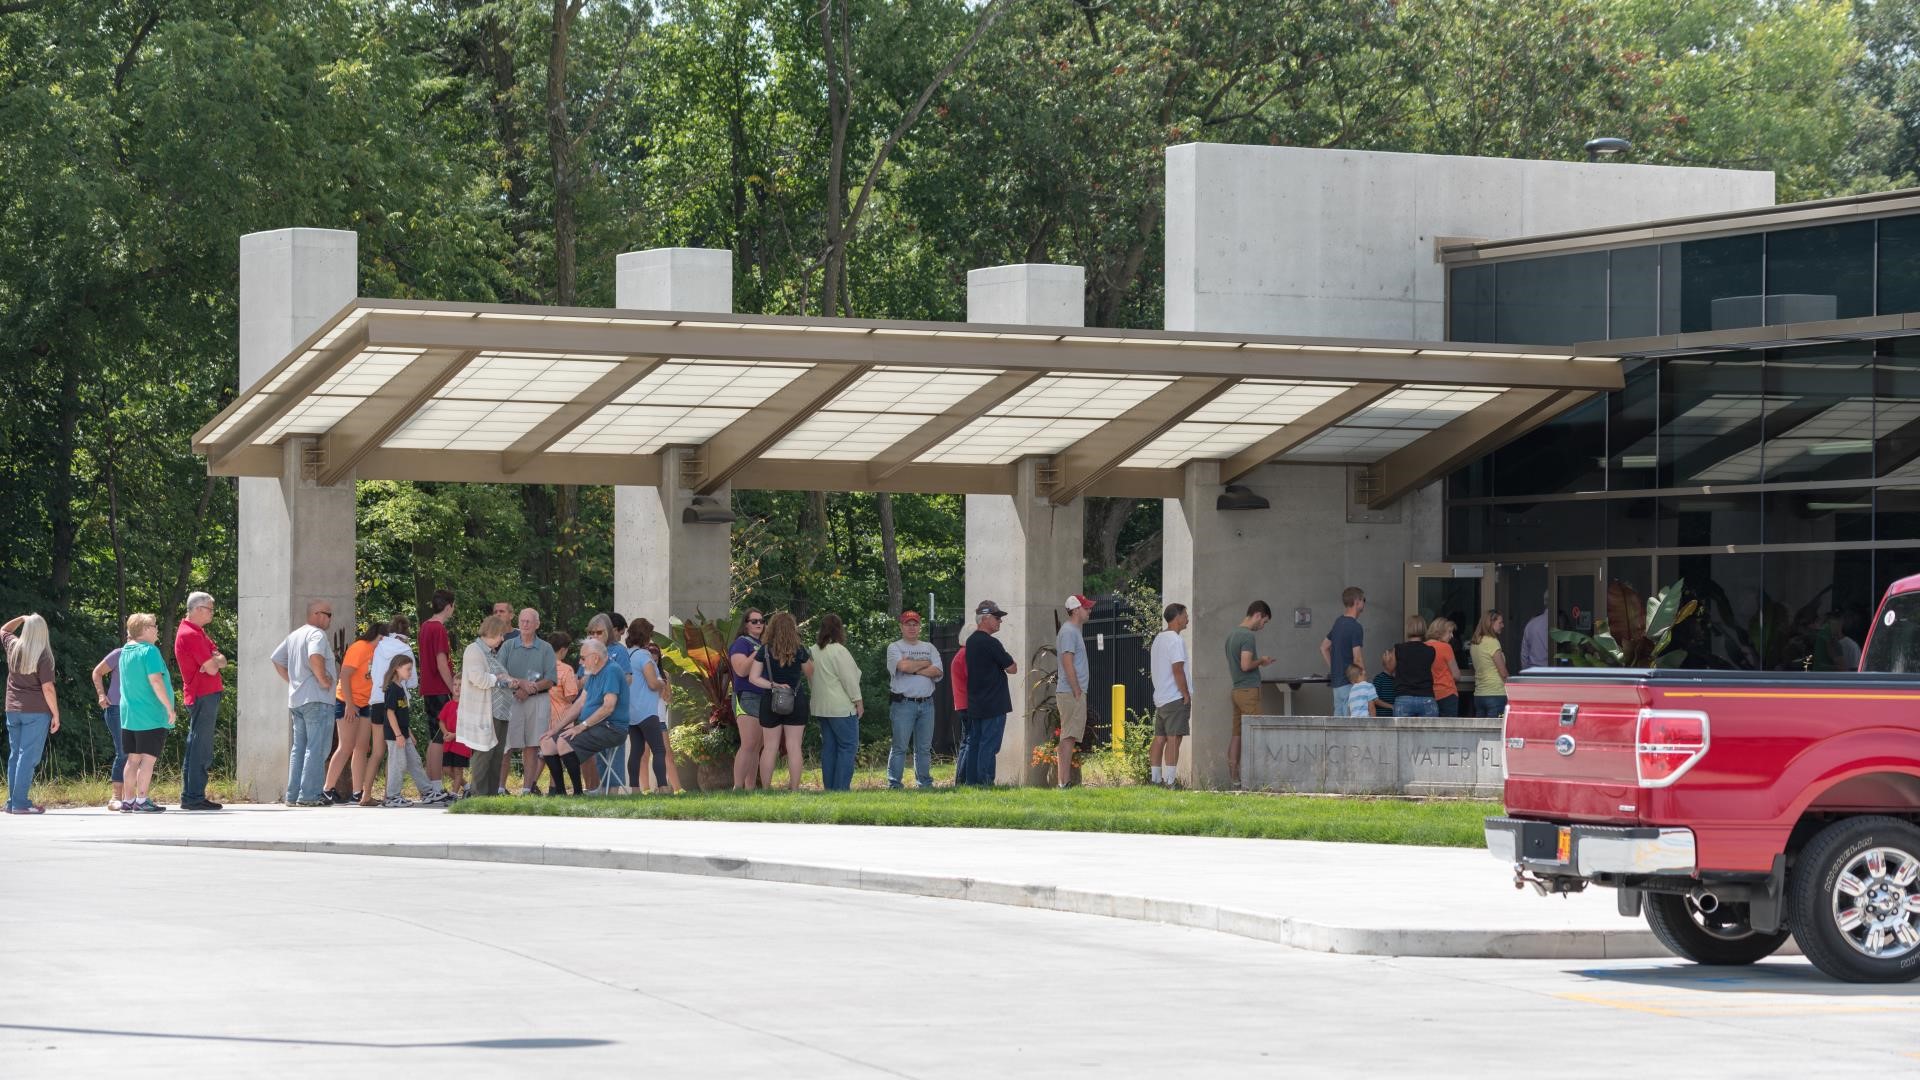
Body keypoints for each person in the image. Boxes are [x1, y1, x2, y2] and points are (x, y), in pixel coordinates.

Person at [269, 599, 338, 806]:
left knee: (299, 748)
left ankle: (292, 795)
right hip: (317, 699)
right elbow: (315, 656)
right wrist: (322, 679)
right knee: (317, 748)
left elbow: (276, 659)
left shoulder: (294, 635)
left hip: (297, 700)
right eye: (329, 615)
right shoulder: (317, 634)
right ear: (317, 614)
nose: (329, 620)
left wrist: (294, 681)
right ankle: (309, 795)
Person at [173, 591, 227, 810]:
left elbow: (221, 660)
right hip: (202, 694)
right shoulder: (191, 634)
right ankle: (193, 796)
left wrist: (214, 660)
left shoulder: (198, 632)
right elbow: (214, 667)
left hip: (205, 693)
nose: (212, 613)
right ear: (197, 609)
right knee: (200, 746)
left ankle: (193, 794)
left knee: (199, 744)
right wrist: (214, 661)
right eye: (210, 609)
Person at [554, 638, 631, 792]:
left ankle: (577, 793)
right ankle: (559, 792)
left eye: (583, 658)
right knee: (548, 743)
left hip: (613, 728)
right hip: (596, 725)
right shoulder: (594, 673)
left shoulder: (611, 670)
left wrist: (581, 727)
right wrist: (555, 729)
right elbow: (579, 704)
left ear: (595, 658)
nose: (581, 663)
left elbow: (608, 707)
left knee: (563, 743)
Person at [2, 613, 59, 815]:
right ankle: (20, 803)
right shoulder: (43, 655)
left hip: (12, 710)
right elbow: (48, 689)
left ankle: (12, 802)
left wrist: (20, 618)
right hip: (36, 711)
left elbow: (4, 630)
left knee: (15, 755)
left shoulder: (13, 646)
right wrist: (56, 714)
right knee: (28, 757)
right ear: (43, 632)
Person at [116, 613, 173, 814]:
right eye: (155, 626)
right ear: (146, 629)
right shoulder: (150, 651)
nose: (157, 630)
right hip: (150, 713)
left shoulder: (125, 651)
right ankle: (142, 800)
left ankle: (128, 800)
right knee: (148, 759)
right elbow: (156, 681)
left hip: (129, 713)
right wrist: (169, 707)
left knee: (133, 759)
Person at [751, 612, 813, 791]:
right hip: (795, 699)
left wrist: (774, 684)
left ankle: (766, 789)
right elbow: (811, 672)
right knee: (794, 747)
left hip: (771, 701)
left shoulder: (765, 650)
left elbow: (754, 678)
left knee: (770, 747)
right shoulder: (800, 650)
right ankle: (794, 789)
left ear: (772, 628)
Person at [458, 616, 519, 797]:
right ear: (492, 633)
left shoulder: (490, 653)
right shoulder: (474, 650)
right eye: (500, 635)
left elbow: (495, 674)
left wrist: (507, 680)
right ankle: (478, 795)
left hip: (500, 711)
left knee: (496, 756)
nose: (502, 639)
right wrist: (499, 680)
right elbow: (478, 678)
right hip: (485, 712)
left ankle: (491, 796)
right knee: (484, 754)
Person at [500, 608, 557, 795]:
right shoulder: (507, 646)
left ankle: (527, 789)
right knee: (506, 745)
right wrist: (519, 686)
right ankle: (500, 788)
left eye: (528, 621)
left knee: (532, 744)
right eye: (522, 621)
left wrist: (530, 689)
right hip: (511, 699)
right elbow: (499, 674)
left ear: (537, 624)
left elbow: (550, 679)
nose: (524, 624)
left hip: (537, 700)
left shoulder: (546, 648)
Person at [960, 601, 1017, 787]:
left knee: (976, 742)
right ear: (985, 618)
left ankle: (971, 781)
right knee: (989, 744)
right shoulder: (991, 642)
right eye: (997, 617)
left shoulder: (971, 641)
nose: (1000, 621)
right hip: (994, 703)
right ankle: (985, 782)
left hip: (976, 702)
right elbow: (1012, 668)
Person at [325, 622, 382, 805]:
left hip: (365, 703)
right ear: (379, 636)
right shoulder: (360, 648)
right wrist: (349, 704)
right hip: (347, 701)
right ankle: (327, 789)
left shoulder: (378, 652)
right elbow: (345, 675)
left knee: (362, 747)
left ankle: (357, 792)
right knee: (346, 746)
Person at [885, 610, 942, 790]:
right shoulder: (894, 647)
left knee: (924, 748)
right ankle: (895, 784)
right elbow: (902, 666)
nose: (911, 627)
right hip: (903, 704)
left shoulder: (929, 647)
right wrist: (925, 664)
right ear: (901, 627)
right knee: (900, 746)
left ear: (919, 627)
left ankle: (924, 783)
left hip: (927, 704)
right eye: (908, 624)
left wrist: (913, 668)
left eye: (915, 624)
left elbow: (938, 672)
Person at [365, 615, 418, 805]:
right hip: (394, 702)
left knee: (377, 752)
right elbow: (412, 682)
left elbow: (373, 673)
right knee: (394, 752)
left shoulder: (379, 646)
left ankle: (365, 795)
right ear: (407, 633)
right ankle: (391, 795)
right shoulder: (405, 649)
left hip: (376, 701)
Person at [623, 619, 677, 795]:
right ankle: (662, 787)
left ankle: (635, 790)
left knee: (636, 751)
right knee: (659, 749)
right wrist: (662, 683)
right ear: (645, 635)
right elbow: (653, 684)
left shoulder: (626, 654)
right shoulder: (644, 656)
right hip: (646, 711)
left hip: (630, 712)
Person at [1225, 601, 1276, 787]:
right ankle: (1256, 779)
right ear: (1257, 615)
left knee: (1237, 734)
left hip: (1237, 690)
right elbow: (1245, 665)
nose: (1262, 626)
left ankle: (1234, 779)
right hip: (1248, 691)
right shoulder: (1247, 636)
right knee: (1256, 733)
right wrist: (1261, 660)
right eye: (1264, 622)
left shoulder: (1231, 635)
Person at [811, 614, 863, 792]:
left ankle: (830, 788)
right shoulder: (839, 650)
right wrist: (858, 701)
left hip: (821, 707)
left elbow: (812, 679)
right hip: (841, 708)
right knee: (848, 747)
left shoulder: (813, 651)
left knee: (829, 749)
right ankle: (841, 789)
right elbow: (849, 679)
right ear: (839, 629)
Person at [379, 657, 436, 806]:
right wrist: (398, 735)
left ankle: (427, 791)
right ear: (397, 668)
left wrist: (408, 734)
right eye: (408, 669)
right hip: (395, 736)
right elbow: (390, 713)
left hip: (404, 735)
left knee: (415, 761)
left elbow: (401, 714)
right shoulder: (392, 689)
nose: (411, 672)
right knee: (398, 764)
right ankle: (392, 796)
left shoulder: (400, 687)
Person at [1149, 603, 1191, 788]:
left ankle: (1156, 779)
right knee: (1175, 737)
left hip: (1161, 697)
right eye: (1185, 615)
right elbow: (1177, 669)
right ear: (1177, 617)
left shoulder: (1159, 639)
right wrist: (1185, 692)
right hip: (1175, 697)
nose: (1187, 619)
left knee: (1160, 738)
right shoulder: (1175, 640)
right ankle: (1171, 781)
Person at [417, 589, 456, 789]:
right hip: (439, 689)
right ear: (448, 606)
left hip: (428, 688)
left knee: (435, 736)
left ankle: (431, 784)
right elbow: (441, 662)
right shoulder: (439, 629)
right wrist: (453, 689)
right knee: (439, 738)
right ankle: (436, 786)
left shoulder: (425, 626)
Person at [1055, 594, 1094, 788]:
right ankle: (1064, 782)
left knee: (1068, 736)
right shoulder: (1070, 631)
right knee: (1069, 736)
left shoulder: (1072, 630)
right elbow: (1067, 660)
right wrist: (1077, 689)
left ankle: (1063, 781)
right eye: (1086, 608)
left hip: (1071, 692)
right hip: (1071, 692)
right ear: (1076, 609)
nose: (1089, 611)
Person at [539, 632, 583, 796]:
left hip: (544, 716)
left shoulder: (541, 667)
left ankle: (558, 790)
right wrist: (580, 683)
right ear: (563, 650)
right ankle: (577, 790)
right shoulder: (566, 670)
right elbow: (571, 695)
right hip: (563, 717)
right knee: (565, 752)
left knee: (549, 751)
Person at [729, 609, 766, 789]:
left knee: (757, 745)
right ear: (746, 624)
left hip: (763, 696)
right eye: (754, 621)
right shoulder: (741, 643)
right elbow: (741, 670)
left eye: (762, 620)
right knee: (749, 743)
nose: (759, 623)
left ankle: (750, 788)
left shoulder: (763, 643)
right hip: (746, 696)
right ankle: (737, 787)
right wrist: (757, 652)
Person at [91, 641, 127, 811]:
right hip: (116, 709)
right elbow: (97, 672)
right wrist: (101, 695)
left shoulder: (148, 654)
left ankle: (133, 797)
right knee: (123, 752)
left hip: (138, 710)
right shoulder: (119, 653)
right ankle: (116, 797)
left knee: (139, 754)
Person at [1321, 587, 1367, 716]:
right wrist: (1363, 682)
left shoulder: (1338, 623)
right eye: (1363, 600)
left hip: (1337, 684)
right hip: (1350, 683)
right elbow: (1357, 658)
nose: (1364, 603)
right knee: (1350, 725)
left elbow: (1324, 647)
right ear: (1357, 601)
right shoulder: (1355, 627)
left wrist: (1335, 667)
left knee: (1338, 726)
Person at [1392, 616, 1438, 717]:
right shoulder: (1430, 650)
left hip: (1404, 696)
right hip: (1426, 697)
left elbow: (1391, 669)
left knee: (1402, 733)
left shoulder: (1399, 649)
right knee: (1429, 733)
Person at [1470, 610, 1510, 718]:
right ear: (1491, 622)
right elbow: (1503, 672)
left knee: (1481, 733)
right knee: (1496, 731)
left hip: (1479, 695)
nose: (1503, 625)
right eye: (1500, 622)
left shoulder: (1475, 643)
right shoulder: (1492, 642)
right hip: (1496, 694)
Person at [1427, 617, 1462, 717]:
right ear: (1440, 631)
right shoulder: (1445, 647)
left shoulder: (1424, 646)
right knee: (1448, 730)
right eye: (1449, 632)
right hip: (1447, 694)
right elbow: (1456, 675)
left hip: (1429, 695)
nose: (1452, 636)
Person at [437, 698, 471, 797]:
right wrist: (446, 733)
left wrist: (455, 735)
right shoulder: (448, 704)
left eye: (460, 685)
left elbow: (468, 726)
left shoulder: (467, 706)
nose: (457, 687)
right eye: (455, 684)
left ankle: (454, 794)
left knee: (458, 770)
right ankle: (467, 786)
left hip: (461, 744)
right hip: (449, 743)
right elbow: (441, 721)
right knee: (446, 769)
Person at [949, 637, 970, 785]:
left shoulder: (960, 653)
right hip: (968, 704)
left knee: (965, 742)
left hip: (962, 703)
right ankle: (962, 779)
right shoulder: (966, 655)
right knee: (970, 742)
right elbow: (974, 678)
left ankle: (960, 780)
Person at [1520, 595, 1550, 671]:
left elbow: (1524, 655)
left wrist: (1526, 674)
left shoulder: (1531, 624)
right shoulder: (1561, 622)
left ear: (1544, 602)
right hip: (1556, 673)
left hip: (1534, 672)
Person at [1371, 648, 1398, 717]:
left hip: (1393, 717)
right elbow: (1374, 699)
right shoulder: (1379, 678)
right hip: (1382, 717)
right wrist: (1391, 706)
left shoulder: (1396, 680)